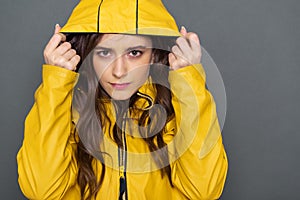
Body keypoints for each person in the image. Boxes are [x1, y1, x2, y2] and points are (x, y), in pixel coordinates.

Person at [17, 0, 228, 199]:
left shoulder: (173, 107)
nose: (119, 71)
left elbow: (205, 191)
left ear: (154, 55)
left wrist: (188, 82)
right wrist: (56, 82)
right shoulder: (68, 108)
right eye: (105, 53)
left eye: (134, 52)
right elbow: (41, 191)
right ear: (87, 54)